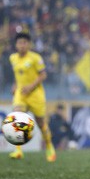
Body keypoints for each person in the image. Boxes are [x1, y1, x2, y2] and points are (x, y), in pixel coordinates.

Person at [8, 32, 56, 162]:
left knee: (41, 123)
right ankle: (18, 151)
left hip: (35, 94)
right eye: (19, 43)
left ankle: (49, 146)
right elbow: (18, 74)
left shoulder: (35, 58)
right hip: (21, 93)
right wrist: (15, 85)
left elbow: (43, 75)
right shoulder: (13, 58)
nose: (22, 45)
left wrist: (30, 86)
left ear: (29, 44)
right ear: (16, 45)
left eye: (24, 43)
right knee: (17, 117)